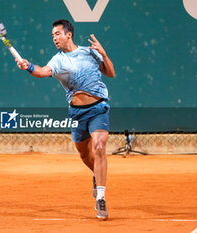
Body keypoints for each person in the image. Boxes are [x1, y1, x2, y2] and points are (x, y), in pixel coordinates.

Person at [16, 19, 115, 220]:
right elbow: (43, 71)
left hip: (98, 108)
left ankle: (101, 198)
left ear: (68, 34)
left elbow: (111, 73)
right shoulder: (57, 60)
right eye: (52, 36)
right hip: (77, 113)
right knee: (85, 156)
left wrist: (103, 54)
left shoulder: (90, 52)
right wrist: (28, 66)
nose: (54, 38)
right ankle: (97, 174)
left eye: (57, 34)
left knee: (99, 147)